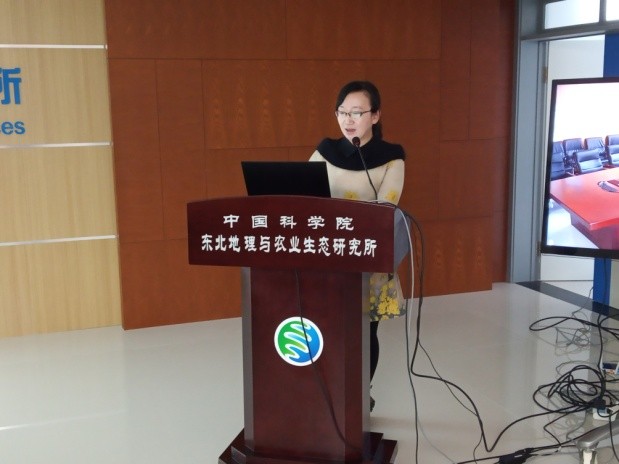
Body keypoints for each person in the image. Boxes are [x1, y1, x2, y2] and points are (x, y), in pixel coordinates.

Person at [309, 80, 406, 411]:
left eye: (357, 113)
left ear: (375, 116)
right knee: (328, 329)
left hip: (368, 258)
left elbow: (386, 207)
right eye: (342, 112)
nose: (348, 120)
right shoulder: (325, 151)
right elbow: (303, 197)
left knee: (365, 332)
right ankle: (329, 393)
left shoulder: (391, 158)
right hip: (328, 259)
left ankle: (360, 393)